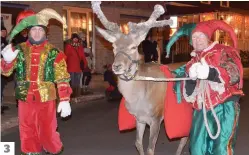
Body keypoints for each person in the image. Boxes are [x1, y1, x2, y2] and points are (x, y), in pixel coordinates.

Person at [1, 8, 72, 154]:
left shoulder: (54, 53)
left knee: (48, 131)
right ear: (28, 32)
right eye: (34, 30)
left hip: (46, 99)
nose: (37, 33)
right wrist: (6, 61)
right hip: (24, 98)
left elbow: (62, 77)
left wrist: (64, 99)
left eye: (40, 30)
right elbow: (6, 71)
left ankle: (53, 149)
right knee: (27, 131)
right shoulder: (18, 50)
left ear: (46, 32)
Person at [182, 20, 244, 155]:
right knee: (197, 148)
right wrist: (191, 79)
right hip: (201, 109)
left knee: (221, 148)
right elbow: (189, 92)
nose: (197, 40)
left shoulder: (222, 51)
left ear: (208, 37)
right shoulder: (192, 62)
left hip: (224, 106)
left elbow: (235, 74)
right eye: (194, 37)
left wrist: (210, 73)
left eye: (200, 36)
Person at [64, 33, 88, 97]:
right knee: (72, 82)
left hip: (78, 68)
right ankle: (72, 95)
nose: (75, 40)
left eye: (76, 38)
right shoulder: (68, 46)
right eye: (74, 38)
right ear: (72, 39)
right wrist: (64, 65)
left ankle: (77, 95)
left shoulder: (80, 46)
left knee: (77, 82)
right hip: (70, 67)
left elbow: (82, 56)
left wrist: (85, 64)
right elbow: (66, 56)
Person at [1, 25, 9, 114]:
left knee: (2, 87)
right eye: (2, 31)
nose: (4, 32)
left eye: (5, 31)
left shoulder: (5, 41)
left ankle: (1, 104)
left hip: (4, 68)